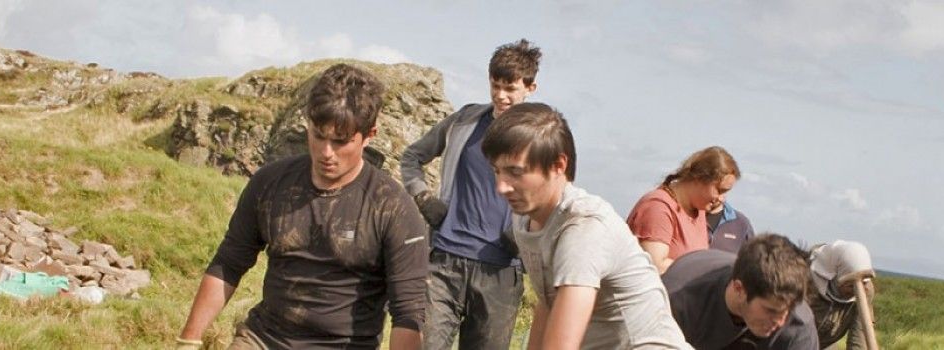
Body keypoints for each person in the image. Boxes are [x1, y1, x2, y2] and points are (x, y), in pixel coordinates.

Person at [177, 64, 429, 349]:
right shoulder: (269, 183)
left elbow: (409, 313)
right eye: (318, 135)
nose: (326, 152)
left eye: (340, 141)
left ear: (369, 135)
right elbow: (228, 264)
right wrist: (188, 340)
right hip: (263, 340)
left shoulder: (394, 209)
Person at [482, 103, 692, 349]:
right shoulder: (524, 217)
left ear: (558, 165)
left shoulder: (583, 231)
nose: (501, 187)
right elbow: (547, 301)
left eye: (515, 172)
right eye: (496, 171)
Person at [399, 39, 542, 350]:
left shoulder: (540, 140)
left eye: (511, 88)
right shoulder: (464, 120)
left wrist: (522, 233)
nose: (501, 96)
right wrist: (424, 199)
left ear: (531, 88)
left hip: (500, 273)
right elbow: (411, 158)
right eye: (496, 85)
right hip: (443, 264)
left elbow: (552, 201)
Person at [662, 234, 819, 350]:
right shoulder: (678, 302)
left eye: (788, 310)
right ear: (739, 289)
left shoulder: (798, 326)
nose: (780, 322)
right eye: (771, 310)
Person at [630, 146, 741, 272]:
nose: (722, 199)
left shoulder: (699, 211)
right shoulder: (658, 208)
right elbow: (655, 266)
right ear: (699, 179)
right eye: (719, 190)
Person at [806, 241, 878, 350]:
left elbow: (859, 336)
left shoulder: (866, 291)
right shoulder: (804, 282)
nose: (857, 291)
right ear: (834, 276)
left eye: (863, 283)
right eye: (850, 286)